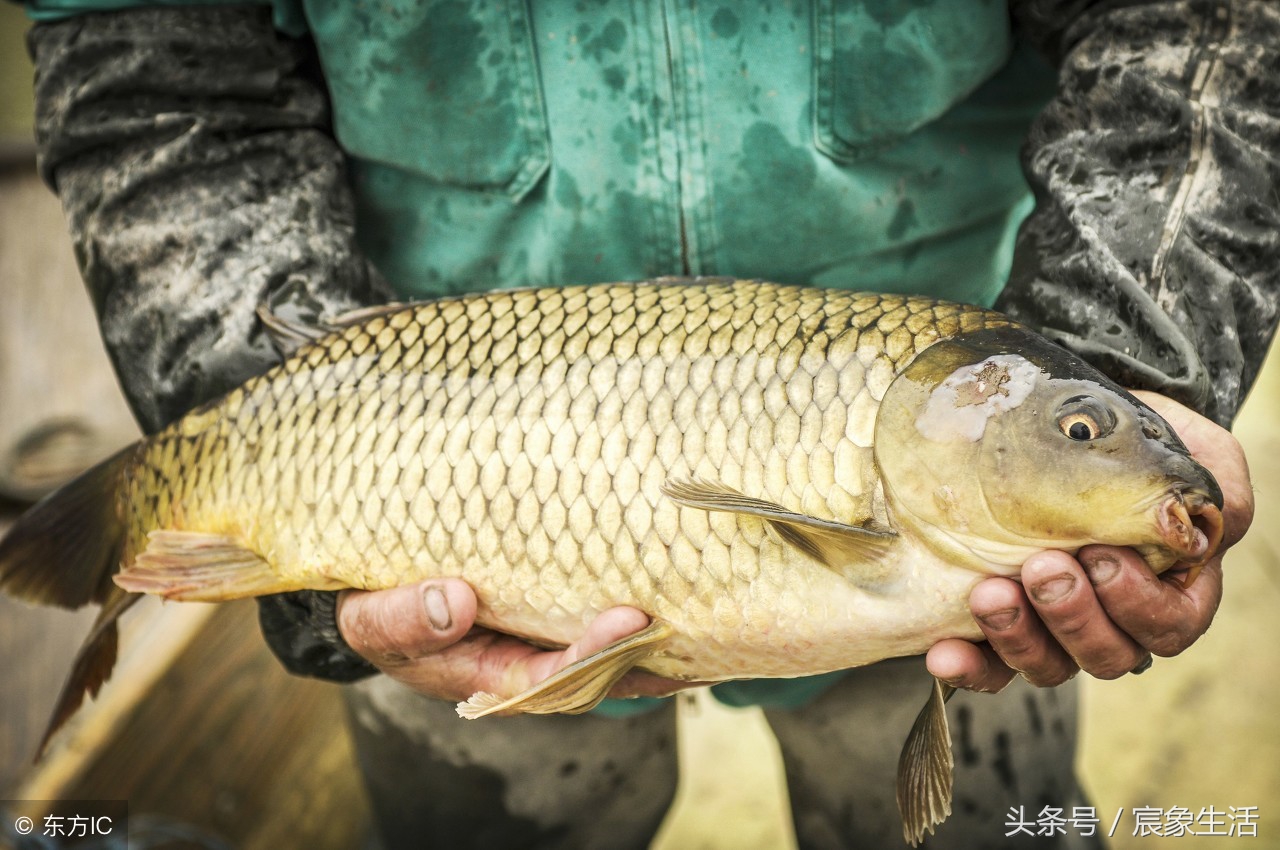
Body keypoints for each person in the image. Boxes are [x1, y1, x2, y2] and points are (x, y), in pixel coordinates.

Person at [21, 1, 1267, 846]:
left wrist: (1117, 361)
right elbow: (161, 80)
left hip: (977, 401)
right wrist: (305, 553)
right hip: (414, 446)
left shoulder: (989, 454)